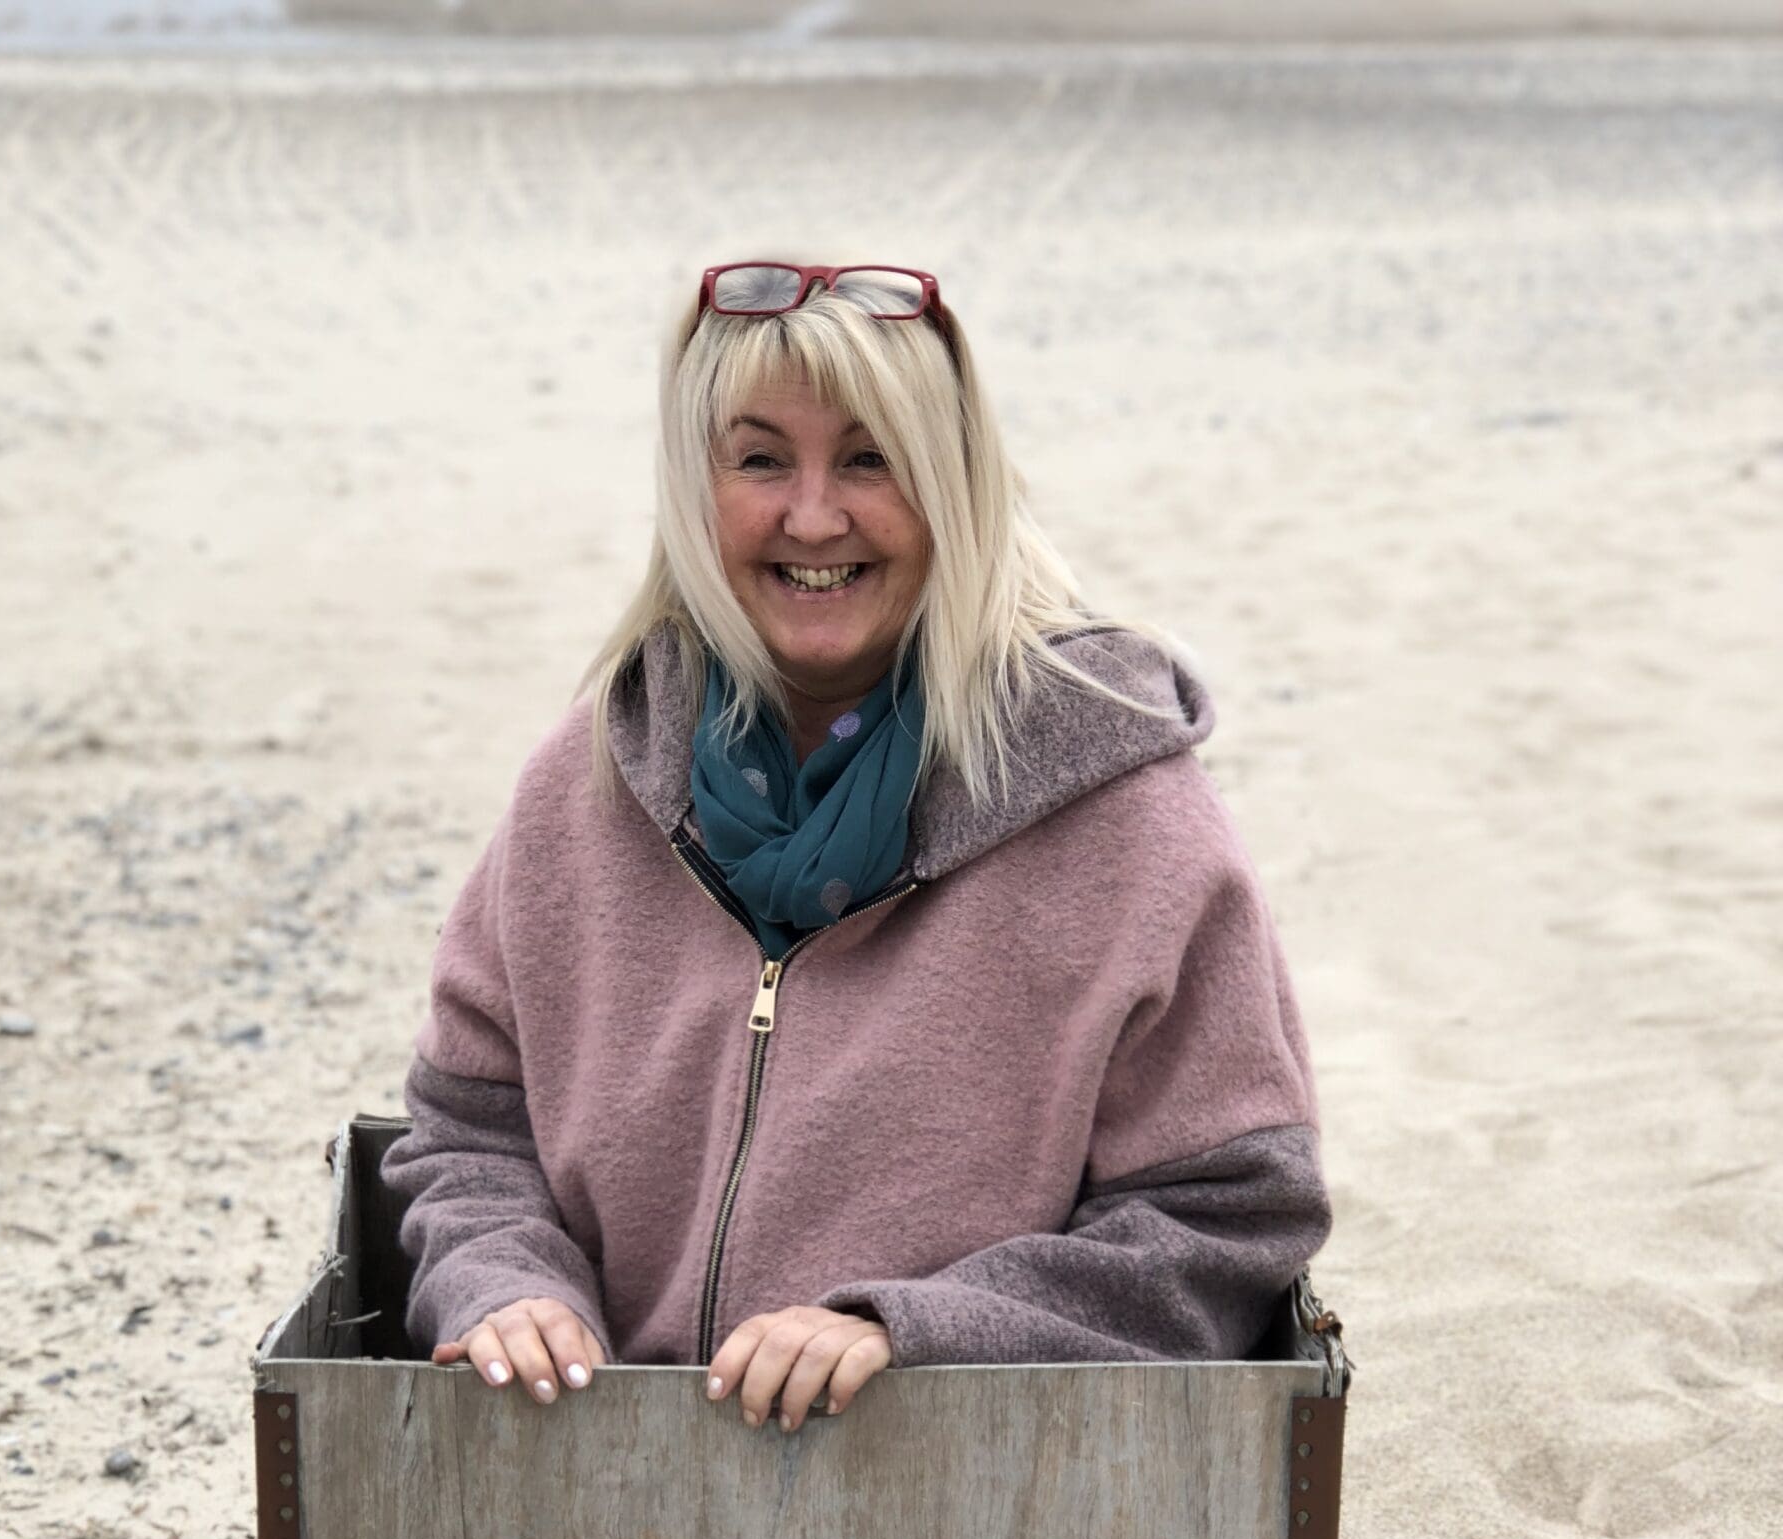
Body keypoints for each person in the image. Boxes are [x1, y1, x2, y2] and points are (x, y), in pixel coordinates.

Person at [379, 259, 1330, 1434]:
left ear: (957, 490)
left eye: (873, 458)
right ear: (693, 489)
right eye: (761, 458)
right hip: (606, 1484)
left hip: (970, 1511)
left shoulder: (1128, 820)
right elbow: (469, 1129)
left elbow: (1230, 1217)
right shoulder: (583, 788)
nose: (815, 516)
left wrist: (911, 1331)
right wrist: (511, 1286)